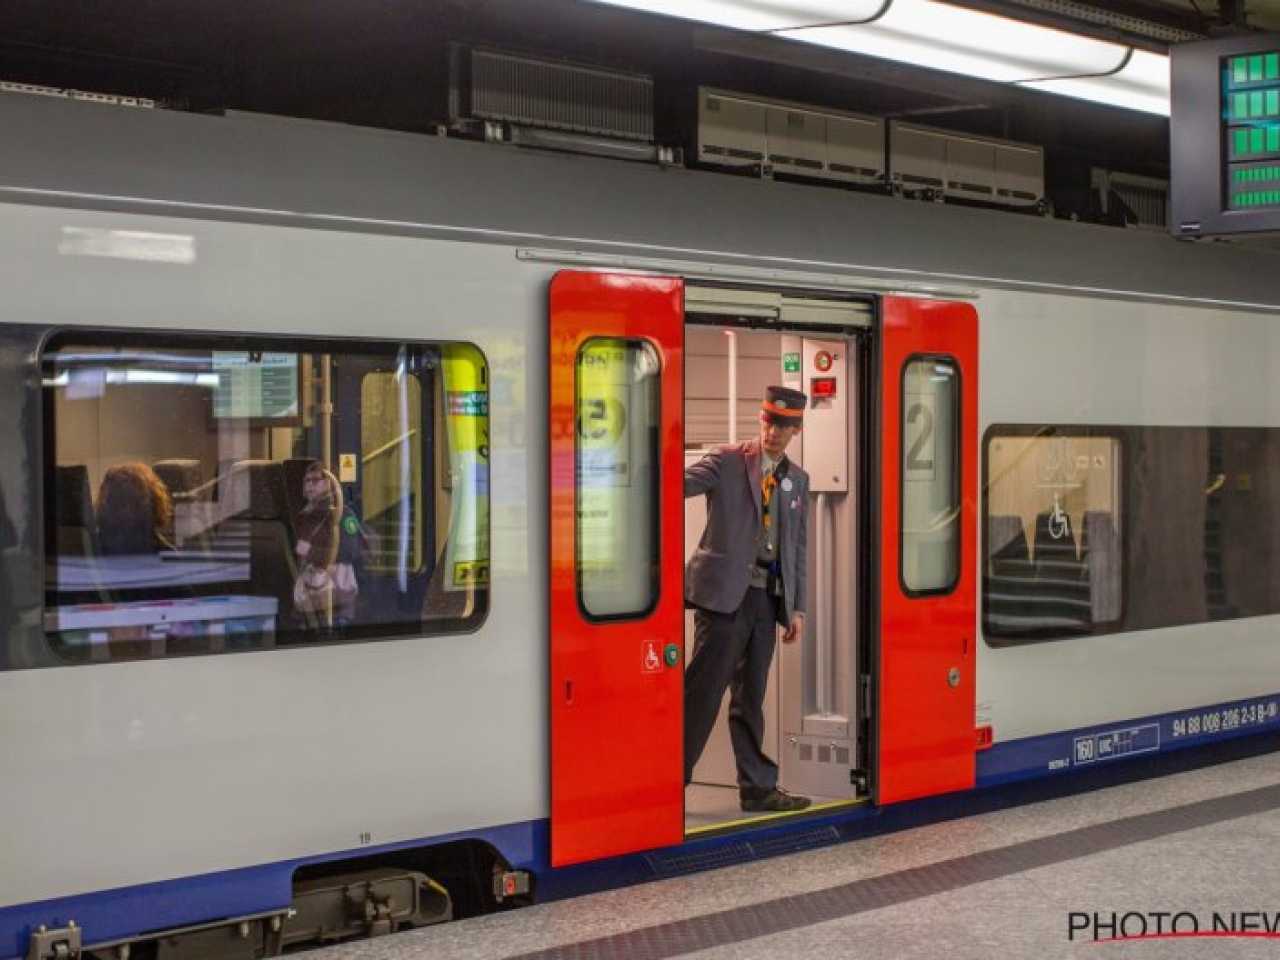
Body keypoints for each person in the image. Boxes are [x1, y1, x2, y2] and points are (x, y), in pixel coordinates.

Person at [684, 385, 812, 813]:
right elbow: (677, 485)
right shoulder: (727, 460)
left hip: (765, 600)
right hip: (722, 597)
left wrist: (796, 608)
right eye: (768, 422)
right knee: (701, 694)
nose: (773, 432)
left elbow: (796, 548)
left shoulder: (797, 481)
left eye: (783, 426)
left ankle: (757, 788)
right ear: (761, 419)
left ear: (796, 430)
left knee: (750, 696)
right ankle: (666, 782)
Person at [293, 461, 358, 626]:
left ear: (330, 483)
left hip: (336, 604)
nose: (310, 485)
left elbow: (350, 552)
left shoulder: (342, 514)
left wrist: (311, 551)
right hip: (311, 598)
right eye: (307, 481)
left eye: (315, 480)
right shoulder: (305, 515)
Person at [96, 462, 174, 555]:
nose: (125, 513)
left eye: (132, 503)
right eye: (118, 502)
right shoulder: (93, 548)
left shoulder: (166, 555)